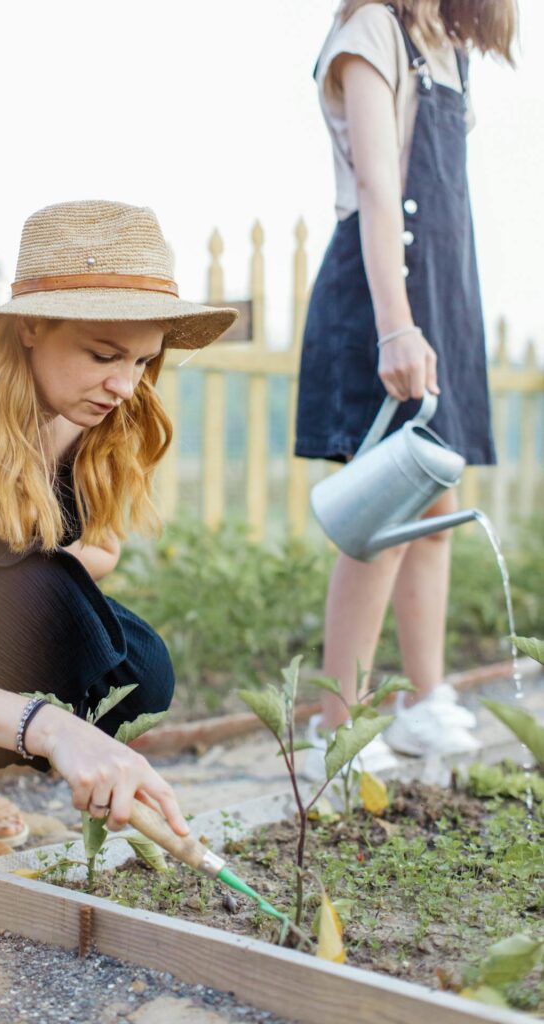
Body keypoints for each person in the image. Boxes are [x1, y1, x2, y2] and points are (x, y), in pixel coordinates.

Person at [0, 199, 237, 897]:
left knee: (135, 666)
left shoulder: (84, 405)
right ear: (30, 326)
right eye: (104, 354)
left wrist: (8, 570)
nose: (125, 385)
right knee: (35, 607)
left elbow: (100, 551)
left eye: (143, 359)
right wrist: (52, 728)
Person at [295, 0, 517, 772]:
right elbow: (376, 182)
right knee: (381, 514)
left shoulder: (446, 47)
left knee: (436, 509)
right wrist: (395, 325)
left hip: (441, 294)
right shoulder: (372, 31)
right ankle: (338, 728)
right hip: (384, 296)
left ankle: (424, 702)